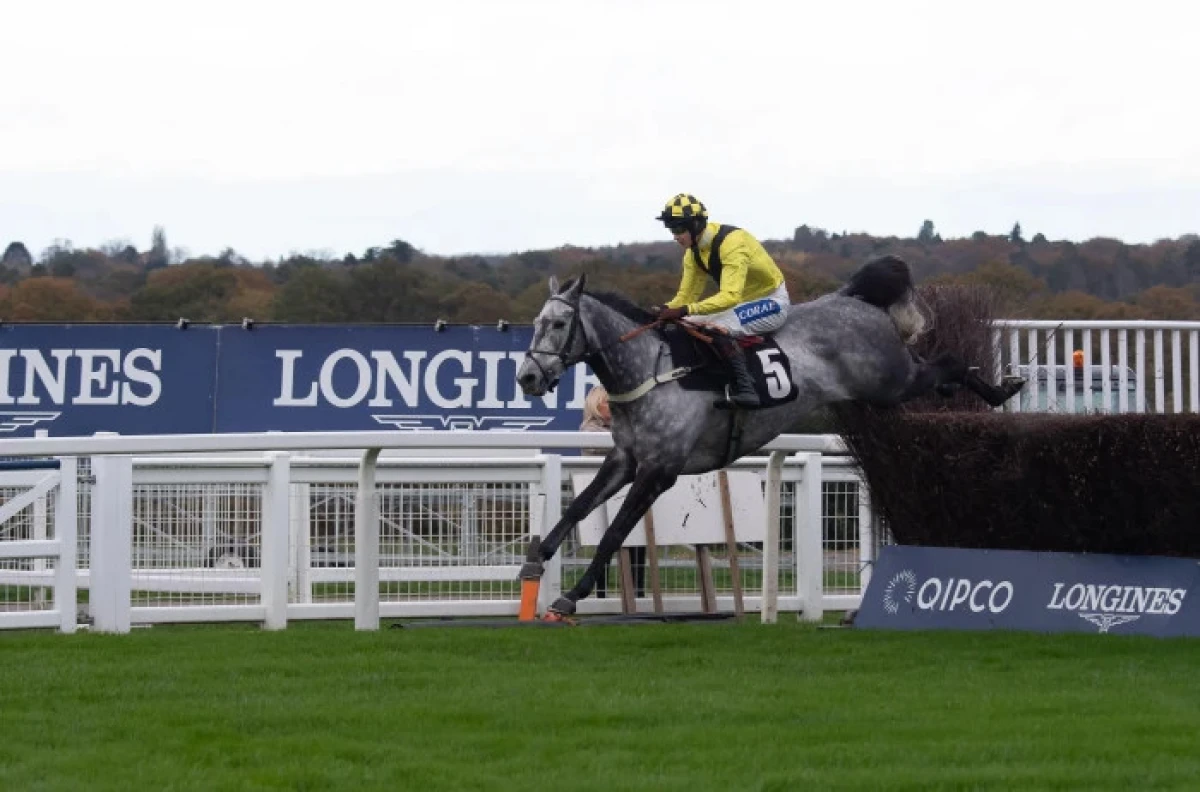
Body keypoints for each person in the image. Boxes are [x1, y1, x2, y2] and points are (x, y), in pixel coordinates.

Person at [651, 193, 790, 409]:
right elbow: (686, 297)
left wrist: (684, 309)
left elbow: (730, 295)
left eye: (679, 230)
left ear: (695, 225)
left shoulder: (733, 243)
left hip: (772, 301)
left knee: (716, 328)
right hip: (740, 305)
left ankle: (747, 389)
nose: (675, 237)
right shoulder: (693, 253)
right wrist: (667, 309)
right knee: (688, 323)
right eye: (671, 231)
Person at [578, 386, 646, 599]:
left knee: (637, 542)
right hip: (602, 498)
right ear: (595, 406)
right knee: (604, 545)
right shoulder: (589, 431)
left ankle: (637, 592)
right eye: (609, 402)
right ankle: (601, 594)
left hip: (629, 493)